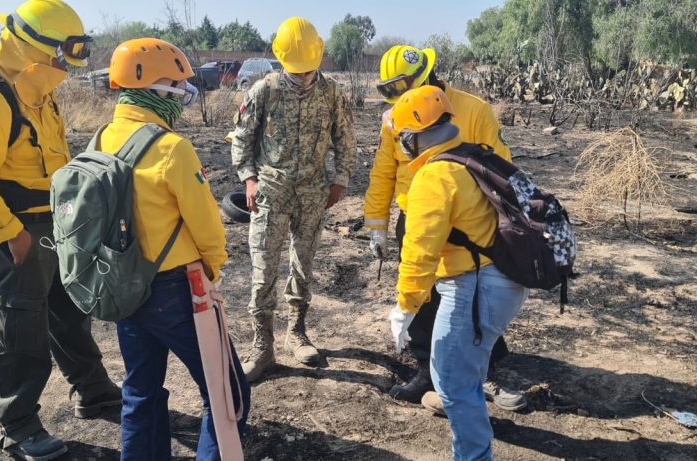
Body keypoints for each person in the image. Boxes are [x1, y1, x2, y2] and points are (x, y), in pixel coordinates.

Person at [0, 1, 119, 459]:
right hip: (10, 228)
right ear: (34, 46)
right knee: (20, 322)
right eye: (61, 54)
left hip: (52, 221)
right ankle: (18, 424)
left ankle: (94, 391)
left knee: (68, 307)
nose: (66, 64)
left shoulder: (35, 84)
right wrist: (10, 232)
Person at [97, 37, 250, 461]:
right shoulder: (171, 148)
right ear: (155, 88)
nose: (183, 94)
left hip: (124, 286)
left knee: (141, 392)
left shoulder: (101, 139)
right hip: (176, 290)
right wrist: (213, 273)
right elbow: (207, 227)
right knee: (227, 395)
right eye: (178, 86)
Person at [364, 45, 522, 411]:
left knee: (474, 298)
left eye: (404, 88)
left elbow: (502, 168)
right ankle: (426, 369)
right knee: (424, 292)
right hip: (417, 217)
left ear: (426, 78)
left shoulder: (474, 110)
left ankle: (486, 371)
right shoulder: (394, 119)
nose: (400, 100)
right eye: (393, 91)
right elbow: (383, 172)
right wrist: (377, 225)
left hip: (470, 222)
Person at [389, 85, 530, 461]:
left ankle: (473, 456)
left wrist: (405, 307)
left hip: (474, 285)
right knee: (459, 371)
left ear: (412, 139)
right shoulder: (470, 155)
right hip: (501, 278)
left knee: (451, 380)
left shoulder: (431, 179)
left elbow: (419, 252)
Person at [230, 17, 357, 381]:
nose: (303, 78)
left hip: (314, 194)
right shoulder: (263, 90)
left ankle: (296, 332)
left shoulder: (332, 92)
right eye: (296, 71)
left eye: (308, 71)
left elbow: (345, 141)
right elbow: (242, 138)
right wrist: (249, 179)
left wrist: (340, 180)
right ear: (282, 59)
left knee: (303, 265)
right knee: (263, 270)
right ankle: (262, 345)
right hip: (271, 193)